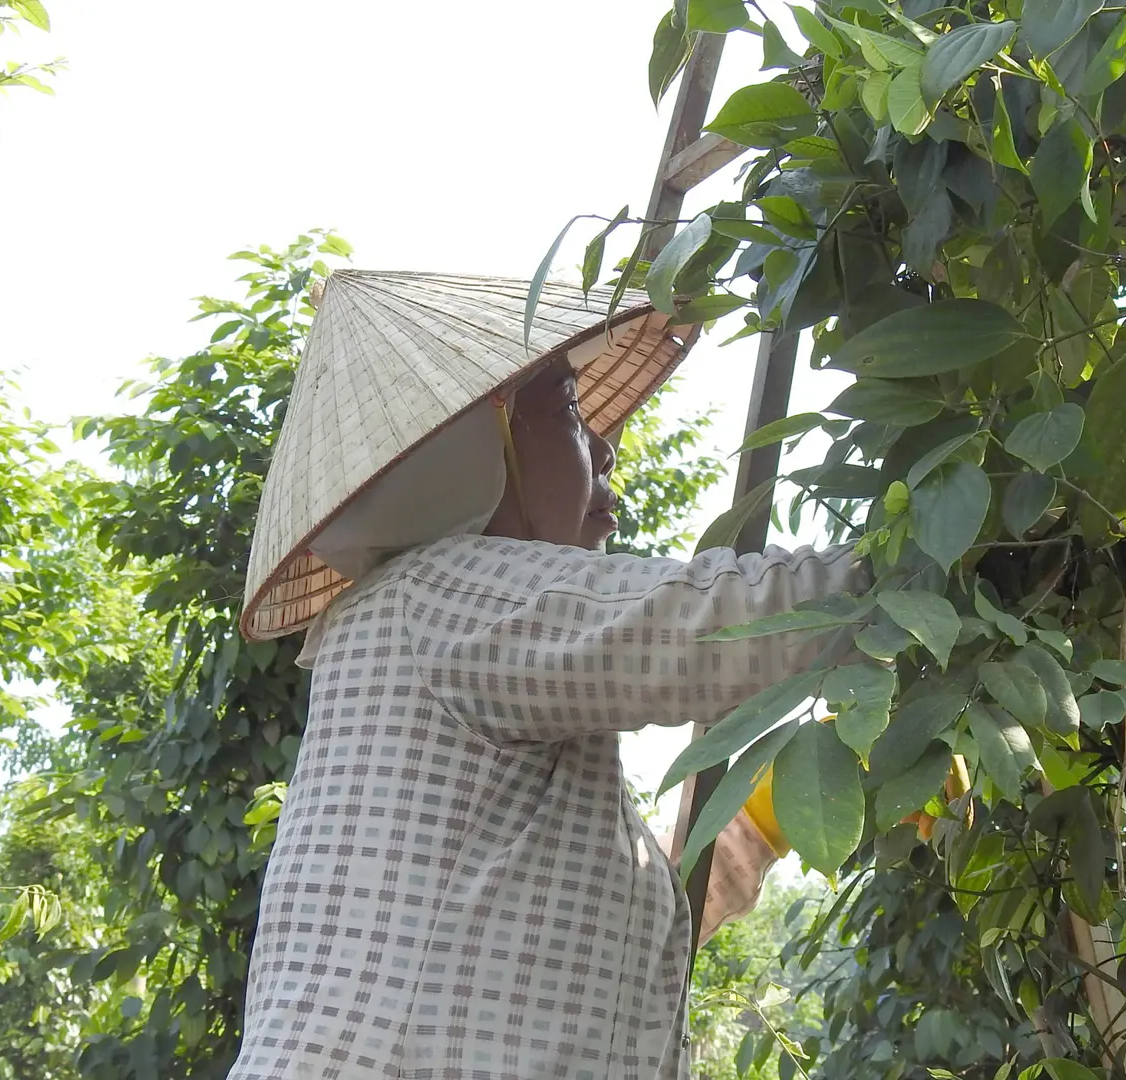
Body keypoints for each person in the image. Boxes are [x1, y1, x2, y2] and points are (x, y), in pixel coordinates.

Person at [231, 271, 868, 1080]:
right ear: (470, 458)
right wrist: (937, 560)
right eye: (566, 410)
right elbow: (724, 619)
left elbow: (563, 932)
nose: (604, 445)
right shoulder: (444, 595)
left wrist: (762, 823)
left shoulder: (410, 626)